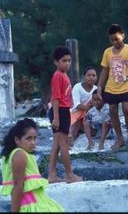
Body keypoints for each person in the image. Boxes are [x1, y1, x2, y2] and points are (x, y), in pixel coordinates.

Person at [97, 24, 128, 150]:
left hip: (127, 86)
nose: (115, 42)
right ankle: (120, 138)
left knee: (126, 109)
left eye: (117, 39)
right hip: (111, 88)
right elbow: (104, 70)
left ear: (123, 36)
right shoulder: (107, 52)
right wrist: (99, 87)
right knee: (112, 111)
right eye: (112, 40)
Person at [1, 118, 64, 212]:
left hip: (38, 204)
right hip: (33, 206)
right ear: (17, 139)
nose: (33, 142)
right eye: (28, 138)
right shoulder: (19, 154)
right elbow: (18, 186)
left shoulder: (22, 154)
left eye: (35, 138)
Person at [48, 46, 83, 183]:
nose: (67, 63)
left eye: (69, 60)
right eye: (64, 60)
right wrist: (56, 117)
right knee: (64, 144)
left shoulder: (64, 75)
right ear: (56, 62)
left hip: (64, 111)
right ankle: (69, 174)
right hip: (59, 111)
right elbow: (56, 97)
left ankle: (51, 174)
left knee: (57, 145)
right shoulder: (57, 76)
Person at [69, 66, 97, 149]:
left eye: (93, 75)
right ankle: (70, 141)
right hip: (77, 113)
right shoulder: (77, 87)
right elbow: (77, 104)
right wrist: (87, 107)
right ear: (84, 77)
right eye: (89, 75)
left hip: (91, 114)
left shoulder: (96, 89)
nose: (91, 77)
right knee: (76, 124)